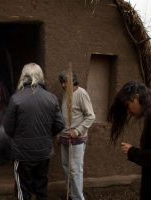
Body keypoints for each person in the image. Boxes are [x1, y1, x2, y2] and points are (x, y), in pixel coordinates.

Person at [3, 63, 65, 200]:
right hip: (44, 152)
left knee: (23, 191)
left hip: (22, 154)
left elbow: (8, 128)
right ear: (40, 77)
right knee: (41, 189)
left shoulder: (16, 99)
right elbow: (60, 124)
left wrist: (19, 136)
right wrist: (46, 135)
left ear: (23, 77)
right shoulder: (51, 98)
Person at [58, 71, 95, 200]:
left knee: (75, 171)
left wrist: (78, 131)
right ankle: (71, 194)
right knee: (66, 167)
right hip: (64, 138)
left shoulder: (81, 94)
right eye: (61, 82)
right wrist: (60, 133)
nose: (63, 85)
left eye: (65, 82)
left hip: (76, 139)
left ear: (73, 81)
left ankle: (78, 198)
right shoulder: (66, 94)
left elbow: (91, 116)